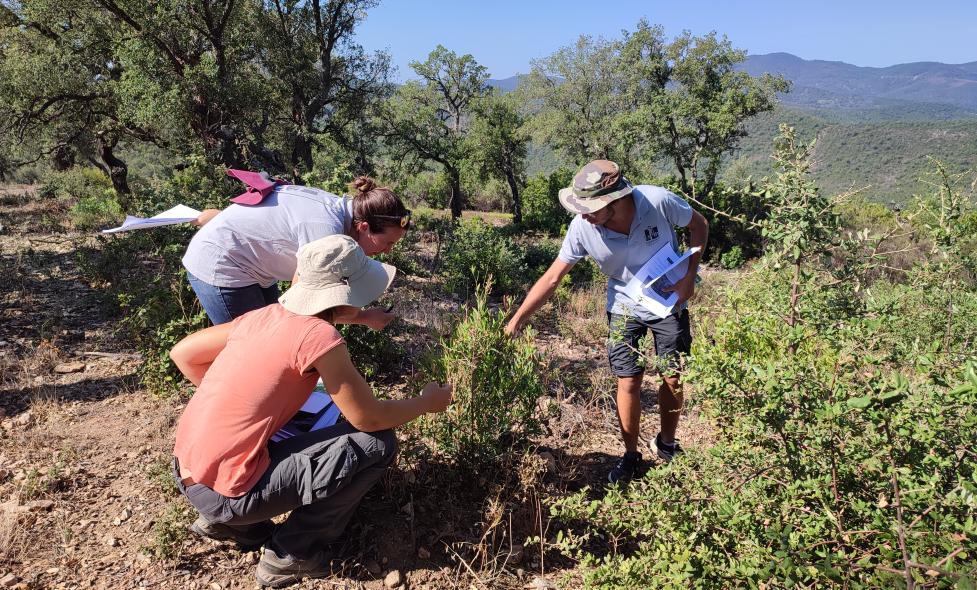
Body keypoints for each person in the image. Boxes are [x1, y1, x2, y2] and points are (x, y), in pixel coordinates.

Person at [169, 234, 452, 588]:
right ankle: (292, 553)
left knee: (309, 429)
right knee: (377, 444)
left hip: (187, 469)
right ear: (345, 295)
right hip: (228, 492)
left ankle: (234, 524)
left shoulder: (262, 316)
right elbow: (368, 418)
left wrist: (244, 409)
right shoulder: (321, 339)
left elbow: (183, 353)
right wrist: (427, 403)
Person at [504, 160, 708, 483]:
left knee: (672, 376)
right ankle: (630, 457)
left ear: (614, 200)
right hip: (624, 307)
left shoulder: (658, 201)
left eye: (591, 208)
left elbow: (700, 226)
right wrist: (516, 321)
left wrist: (689, 278)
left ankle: (667, 444)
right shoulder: (582, 227)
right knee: (628, 380)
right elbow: (553, 277)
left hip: (669, 301)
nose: (584, 214)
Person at [183, 176, 412, 326]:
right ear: (364, 227)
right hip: (222, 264)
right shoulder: (325, 233)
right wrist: (363, 318)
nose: (387, 251)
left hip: (253, 266)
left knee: (272, 332)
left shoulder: (341, 212)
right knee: (251, 347)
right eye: (388, 243)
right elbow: (303, 309)